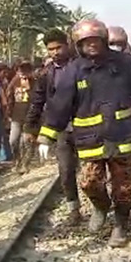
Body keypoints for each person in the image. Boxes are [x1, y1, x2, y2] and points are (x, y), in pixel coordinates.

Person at [38, 19, 131, 248]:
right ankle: (101, 206)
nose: (92, 45)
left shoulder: (127, 64)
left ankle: (120, 227)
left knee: (123, 188)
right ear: (78, 45)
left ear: (104, 40)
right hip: (90, 140)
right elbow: (60, 104)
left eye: (96, 40)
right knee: (89, 183)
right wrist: (46, 136)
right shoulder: (74, 70)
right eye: (86, 42)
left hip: (122, 137)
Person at [24, 29, 81, 225]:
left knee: (93, 172)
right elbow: (37, 102)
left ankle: (100, 205)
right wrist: (30, 128)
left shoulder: (82, 67)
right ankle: (74, 209)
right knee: (65, 170)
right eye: (51, 49)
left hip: (88, 129)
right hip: (62, 130)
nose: (55, 52)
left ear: (67, 45)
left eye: (58, 47)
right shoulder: (46, 74)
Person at [6, 62, 35, 174]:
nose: (23, 73)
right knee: (13, 140)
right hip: (16, 116)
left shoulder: (35, 82)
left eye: (25, 71)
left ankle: (25, 163)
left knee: (27, 142)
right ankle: (17, 159)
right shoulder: (15, 81)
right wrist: (8, 113)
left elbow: (39, 98)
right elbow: (9, 96)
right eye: (20, 70)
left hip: (31, 116)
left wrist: (29, 88)